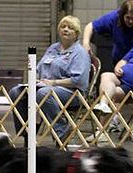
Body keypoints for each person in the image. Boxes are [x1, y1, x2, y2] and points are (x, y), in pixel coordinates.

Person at [8, 15, 90, 147]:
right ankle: (27, 132)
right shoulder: (53, 48)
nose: (66, 30)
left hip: (72, 92)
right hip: (45, 86)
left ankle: (62, 133)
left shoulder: (80, 53)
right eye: (63, 27)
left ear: (76, 33)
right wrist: (34, 78)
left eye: (70, 28)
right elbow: (39, 68)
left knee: (44, 93)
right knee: (16, 92)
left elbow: (79, 80)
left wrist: (54, 83)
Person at [82, 0, 133, 66]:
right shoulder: (114, 16)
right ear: (122, 16)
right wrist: (85, 43)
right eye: (127, 17)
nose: (130, 21)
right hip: (119, 58)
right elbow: (90, 26)